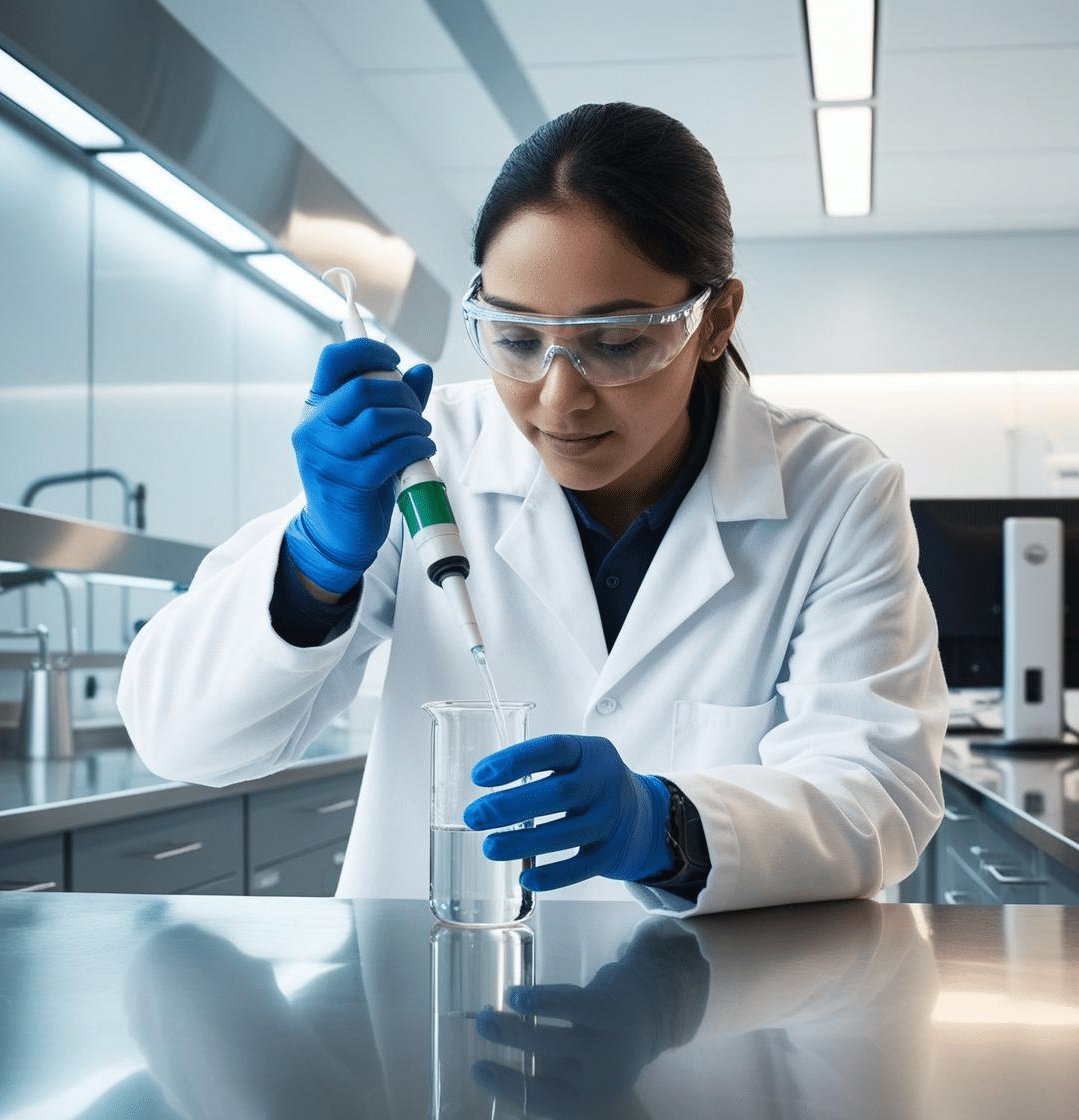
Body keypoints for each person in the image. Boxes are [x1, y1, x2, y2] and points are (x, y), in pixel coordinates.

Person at [118, 102, 948, 915]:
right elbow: (182, 739)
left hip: (711, 1015)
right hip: (431, 1007)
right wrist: (314, 560)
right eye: (516, 339)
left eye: (616, 343)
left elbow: (878, 794)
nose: (558, 399)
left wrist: (666, 825)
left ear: (715, 319)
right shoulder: (426, 453)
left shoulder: (834, 491)